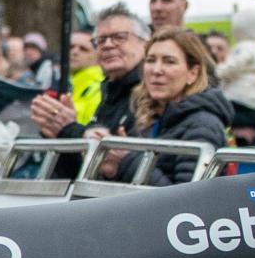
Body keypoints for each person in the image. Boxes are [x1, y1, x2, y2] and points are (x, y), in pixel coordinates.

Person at [97, 26, 233, 185]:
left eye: (169, 61)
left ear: (193, 73)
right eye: (150, 60)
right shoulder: (147, 119)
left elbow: (188, 201)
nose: (156, 70)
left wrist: (128, 161)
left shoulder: (203, 125)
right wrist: (113, 169)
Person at [30, 4, 147, 149]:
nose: (108, 45)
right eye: (101, 40)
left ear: (145, 44)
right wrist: (56, 133)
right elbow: (88, 166)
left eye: (119, 37)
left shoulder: (152, 91)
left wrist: (71, 130)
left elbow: (122, 161)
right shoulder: (109, 91)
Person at [67, 30, 104, 125]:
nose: (74, 52)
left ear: (98, 56)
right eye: (70, 47)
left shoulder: (100, 90)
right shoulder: (70, 85)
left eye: (83, 49)